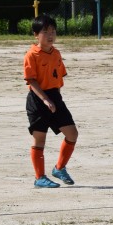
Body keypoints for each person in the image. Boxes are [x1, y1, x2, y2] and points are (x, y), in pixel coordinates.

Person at [23, 14, 79, 188]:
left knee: (72, 133)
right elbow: (31, 81)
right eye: (45, 32)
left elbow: (58, 77)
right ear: (36, 35)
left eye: (53, 31)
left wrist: (56, 99)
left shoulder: (56, 53)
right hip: (38, 99)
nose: (50, 35)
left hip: (54, 97)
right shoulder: (31, 55)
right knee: (39, 139)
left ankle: (59, 168)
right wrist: (45, 99)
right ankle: (39, 177)